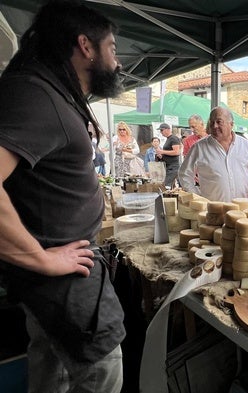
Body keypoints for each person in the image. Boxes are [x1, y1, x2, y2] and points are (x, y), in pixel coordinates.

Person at [0, 1, 125, 392]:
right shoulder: (35, 95)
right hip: (64, 283)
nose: (117, 61)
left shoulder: (51, 87)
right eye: (113, 48)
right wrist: (40, 258)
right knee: (104, 374)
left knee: (50, 369)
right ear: (85, 46)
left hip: (56, 280)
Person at [178, 107, 248, 203]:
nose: (214, 126)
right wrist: (197, 196)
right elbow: (184, 174)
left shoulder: (246, 145)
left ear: (231, 124)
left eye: (219, 122)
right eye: (212, 122)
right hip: (213, 211)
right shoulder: (199, 147)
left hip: (242, 211)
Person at [156, 123, 181, 188]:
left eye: (162, 130)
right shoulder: (169, 139)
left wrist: (162, 151)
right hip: (169, 166)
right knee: (170, 186)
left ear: (168, 129)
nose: (161, 132)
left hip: (173, 167)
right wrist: (162, 156)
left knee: (167, 186)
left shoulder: (173, 138)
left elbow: (177, 152)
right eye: (160, 130)